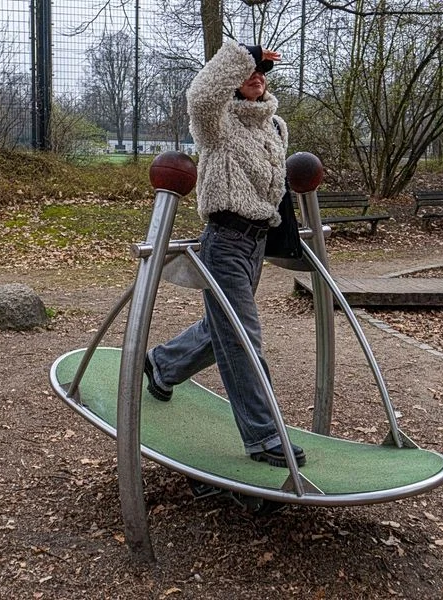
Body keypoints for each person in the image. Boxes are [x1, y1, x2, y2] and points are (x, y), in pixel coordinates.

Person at [144, 40, 306, 468]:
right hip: (225, 242)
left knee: (224, 327)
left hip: (256, 243)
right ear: (231, 79)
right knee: (241, 335)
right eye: (247, 71)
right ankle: (264, 434)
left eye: (261, 72)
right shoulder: (216, 122)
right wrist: (246, 54)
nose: (256, 76)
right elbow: (201, 93)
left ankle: (162, 364)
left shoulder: (275, 127)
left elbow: (275, 188)